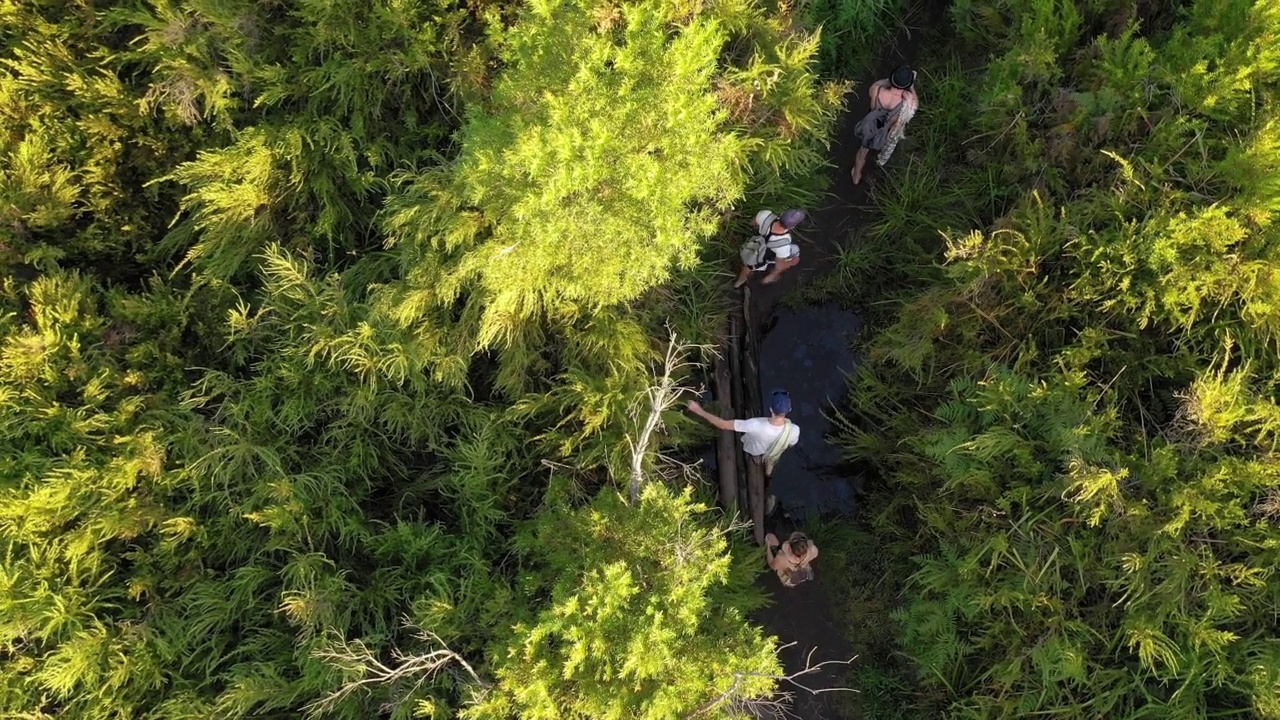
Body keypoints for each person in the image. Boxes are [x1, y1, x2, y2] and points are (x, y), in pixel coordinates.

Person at [687, 390, 799, 516]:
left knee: (754, 457)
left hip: (754, 451)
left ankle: (757, 465)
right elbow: (790, 444)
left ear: (771, 409)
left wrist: (699, 410)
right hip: (773, 455)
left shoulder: (754, 425)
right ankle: (767, 482)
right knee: (768, 472)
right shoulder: (794, 430)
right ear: (788, 410)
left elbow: (723, 425)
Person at [852, 65, 919, 185]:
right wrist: (912, 88)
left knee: (863, 150)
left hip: (870, 127)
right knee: (881, 144)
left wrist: (890, 80)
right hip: (885, 132)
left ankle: (856, 174)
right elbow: (915, 106)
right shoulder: (906, 103)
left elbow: (880, 83)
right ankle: (878, 154)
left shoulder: (877, 89)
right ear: (907, 86)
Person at [734, 209, 806, 288]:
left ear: (782, 214)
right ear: (792, 226)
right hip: (761, 257)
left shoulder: (765, 215)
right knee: (795, 252)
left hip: (755, 243)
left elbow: (753, 223)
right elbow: (779, 265)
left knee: (748, 266)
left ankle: (739, 282)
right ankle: (769, 278)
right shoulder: (783, 244)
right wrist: (790, 263)